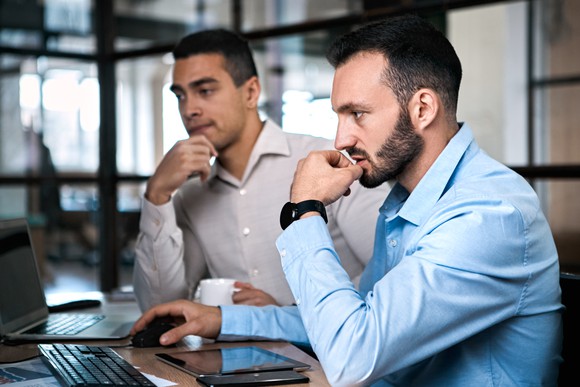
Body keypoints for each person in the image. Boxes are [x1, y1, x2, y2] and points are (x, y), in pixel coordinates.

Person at [132, 15, 563, 386]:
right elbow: (354, 318)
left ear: (423, 108)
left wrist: (306, 211)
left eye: (357, 114)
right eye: (338, 115)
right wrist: (223, 320)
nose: (341, 139)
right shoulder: (404, 201)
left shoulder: (487, 215)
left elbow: (353, 353)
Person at [133, 29, 389, 311]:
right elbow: (161, 307)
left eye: (205, 91)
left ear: (251, 92)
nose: (189, 109)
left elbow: (390, 280)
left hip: (331, 353)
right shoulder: (189, 196)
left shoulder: (330, 161)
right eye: (180, 96)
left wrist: (287, 313)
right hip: (234, 355)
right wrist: (156, 194)